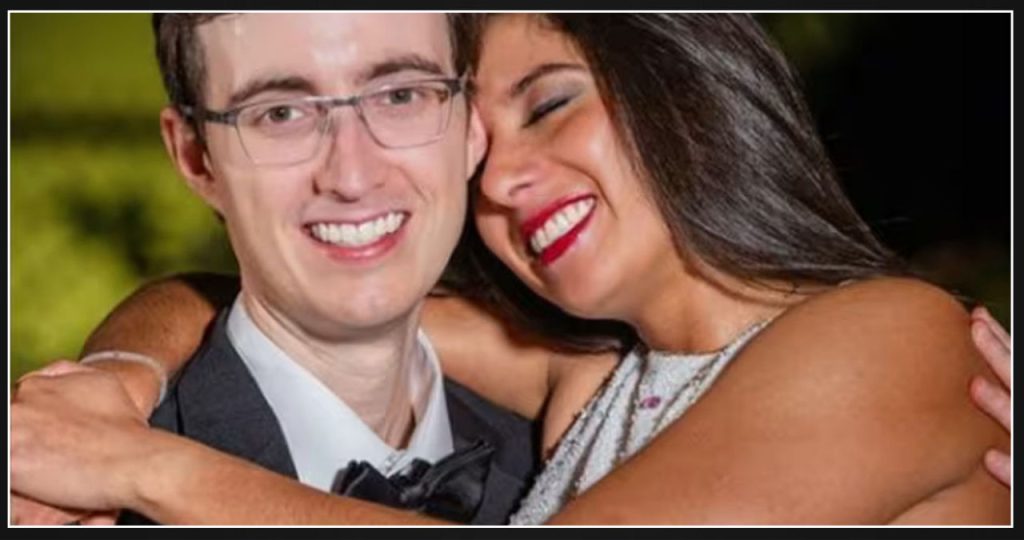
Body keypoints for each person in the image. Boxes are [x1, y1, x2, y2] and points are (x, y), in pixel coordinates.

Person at [11, 13, 1010, 525]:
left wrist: (143, 467)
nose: (502, 179)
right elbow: (247, 300)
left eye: (550, 104)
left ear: (679, 85)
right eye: (481, 144)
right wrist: (116, 378)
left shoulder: (898, 335)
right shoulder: (584, 380)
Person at [12, 12, 544, 525]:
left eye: (400, 95)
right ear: (196, 157)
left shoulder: (556, 465)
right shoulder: (47, 501)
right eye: (281, 113)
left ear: (471, 125)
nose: (352, 176)